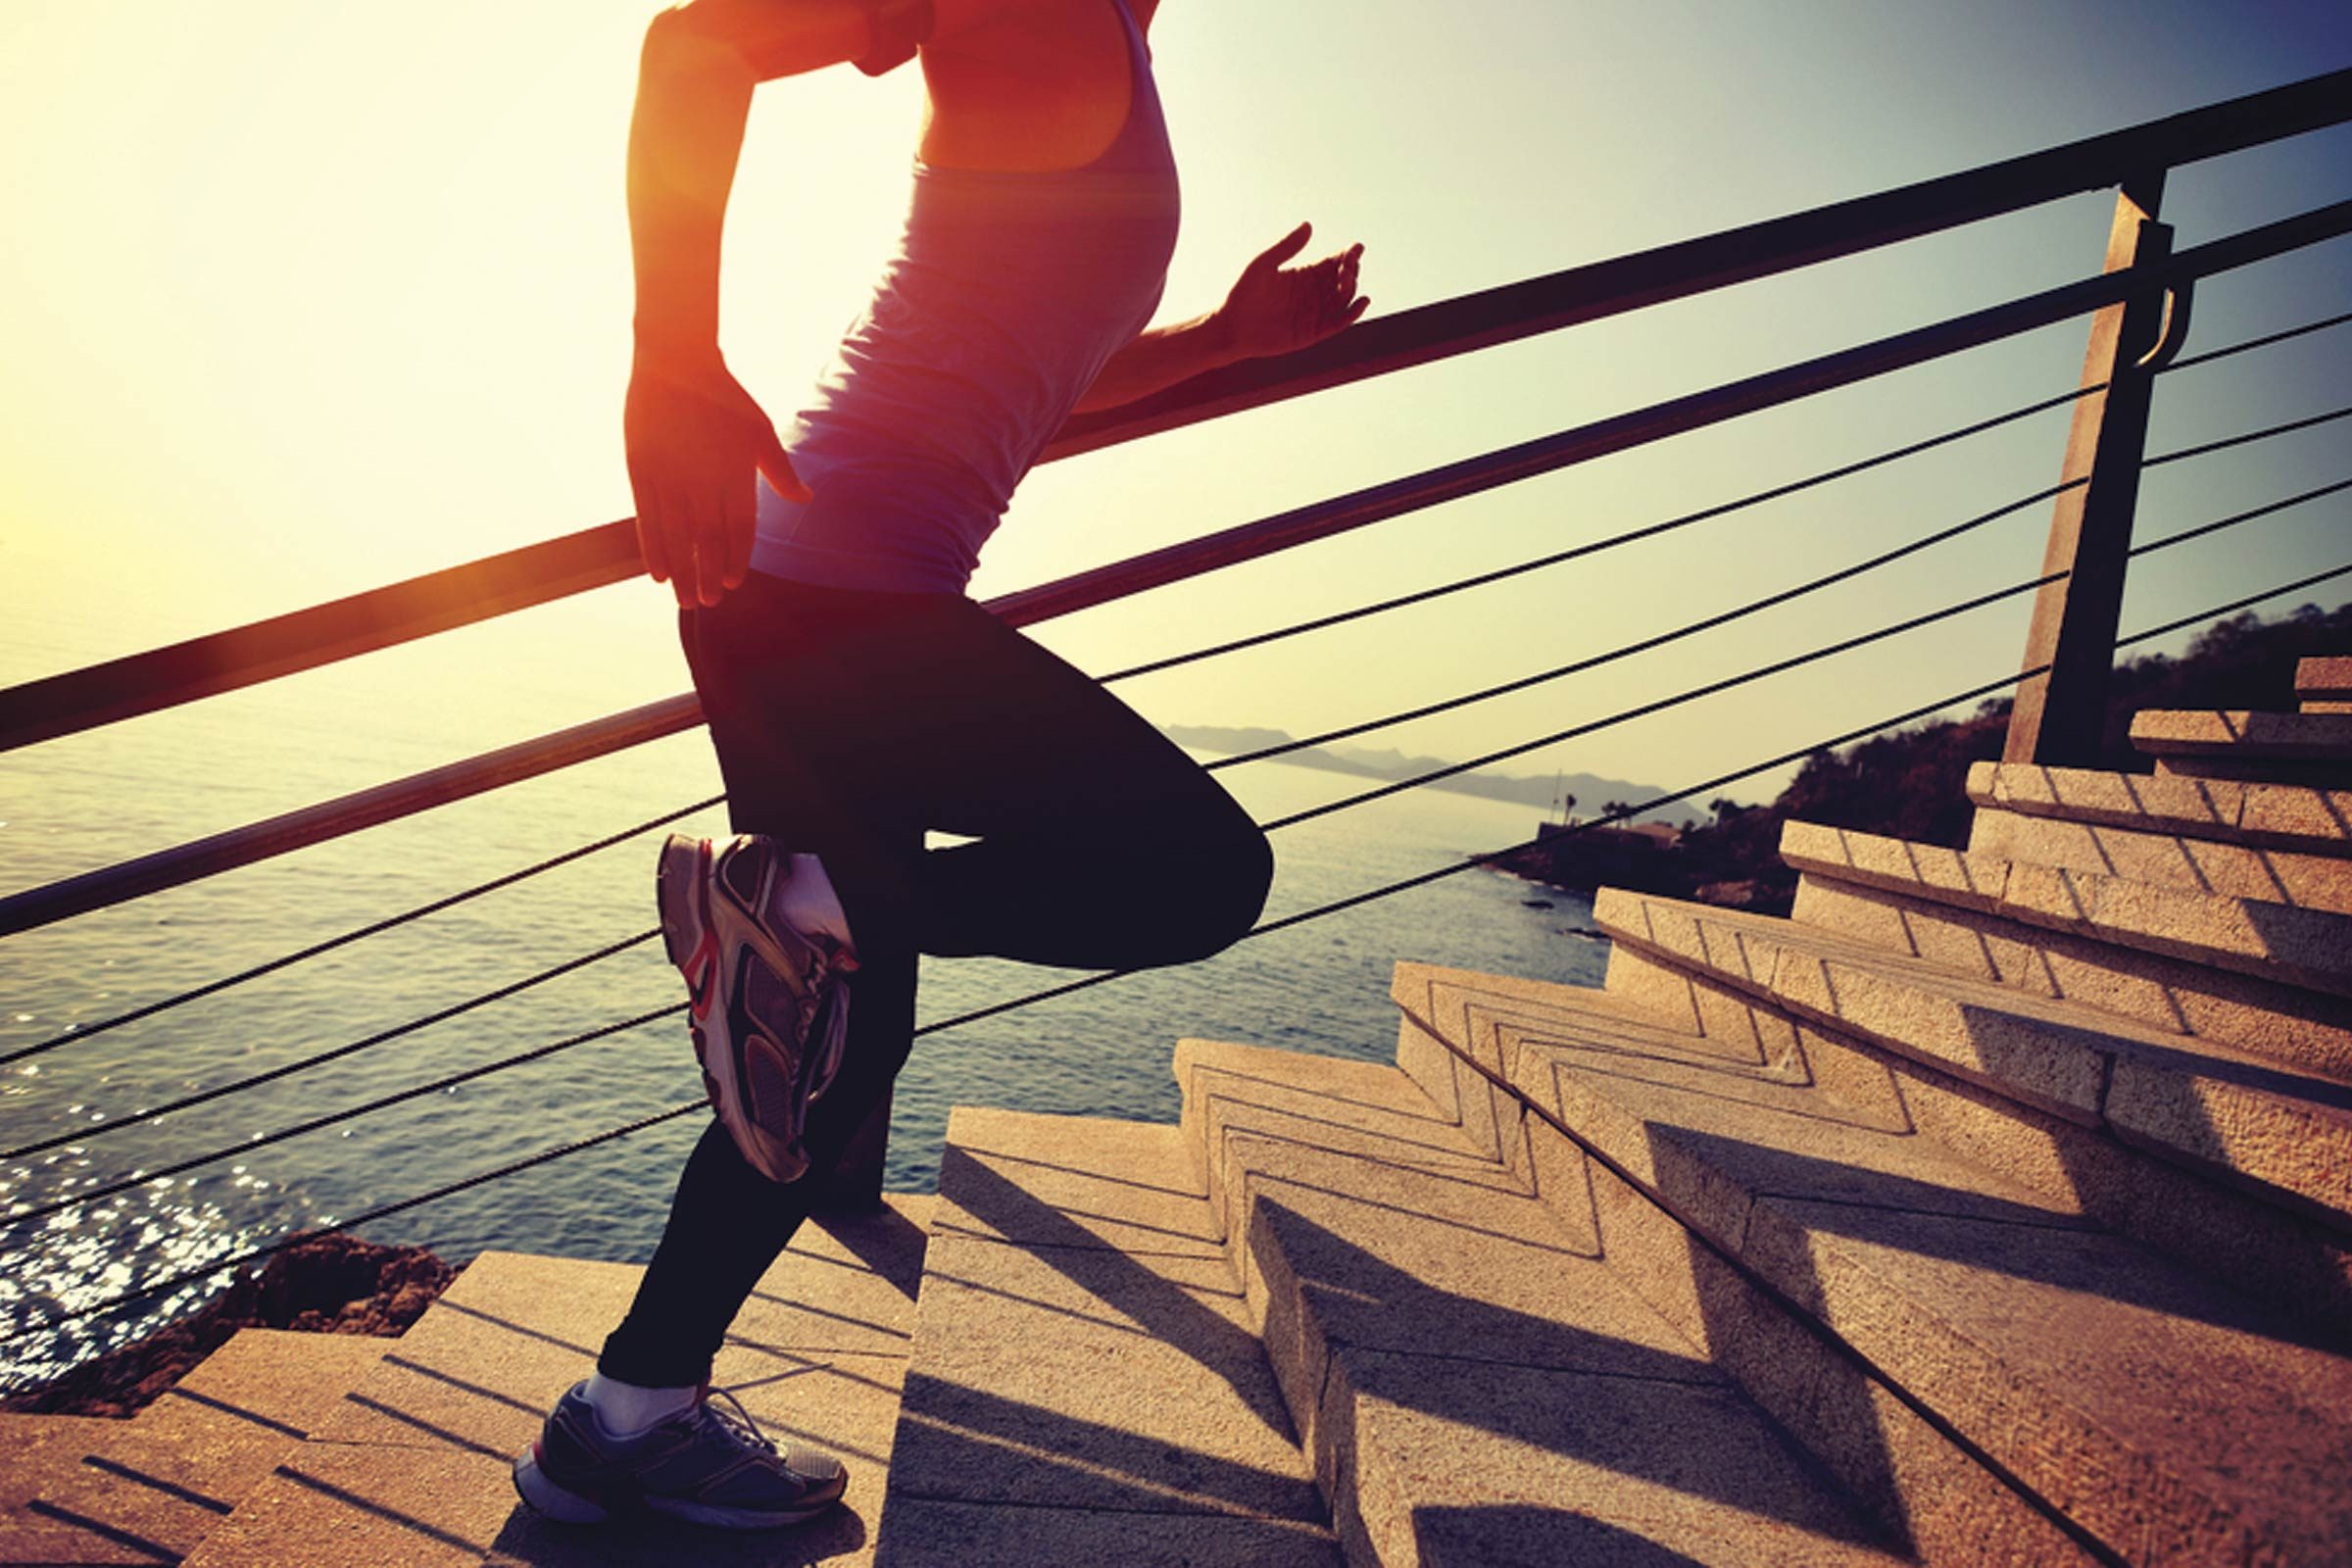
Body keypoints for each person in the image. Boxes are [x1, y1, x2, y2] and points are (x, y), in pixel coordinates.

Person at [513, 0, 1369, 1531]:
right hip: (832, 593)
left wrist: (1228, 344)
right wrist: (675, 362)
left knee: (836, 1035)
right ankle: (810, 917)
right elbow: (695, 45)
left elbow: (1045, 378)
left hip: (826, 595)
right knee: (1195, 871)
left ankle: (629, 1412)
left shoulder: (1113, 41)